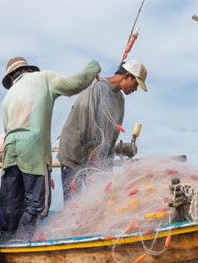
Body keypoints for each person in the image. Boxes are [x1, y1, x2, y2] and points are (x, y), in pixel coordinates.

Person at [0, 55, 100, 239]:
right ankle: (21, 244)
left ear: (11, 78)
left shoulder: (8, 96)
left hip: (9, 148)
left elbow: (7, 128)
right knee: (36, 204)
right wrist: (93, 68)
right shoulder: (43, 78)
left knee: (10, 204)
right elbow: (75, 84)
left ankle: (6, 243)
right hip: (32, 147)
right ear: (28, 70)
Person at [57, 60, 147, 201]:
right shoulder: (96, 86)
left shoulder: (120, 100)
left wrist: (106, 166)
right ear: (127, 75)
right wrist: (95, 165)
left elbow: (112, 135)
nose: (135, 89)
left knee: (101, 203)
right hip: (75, 155)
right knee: (74, 204)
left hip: (97, 159)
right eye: (136, 84)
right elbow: (89, 125)